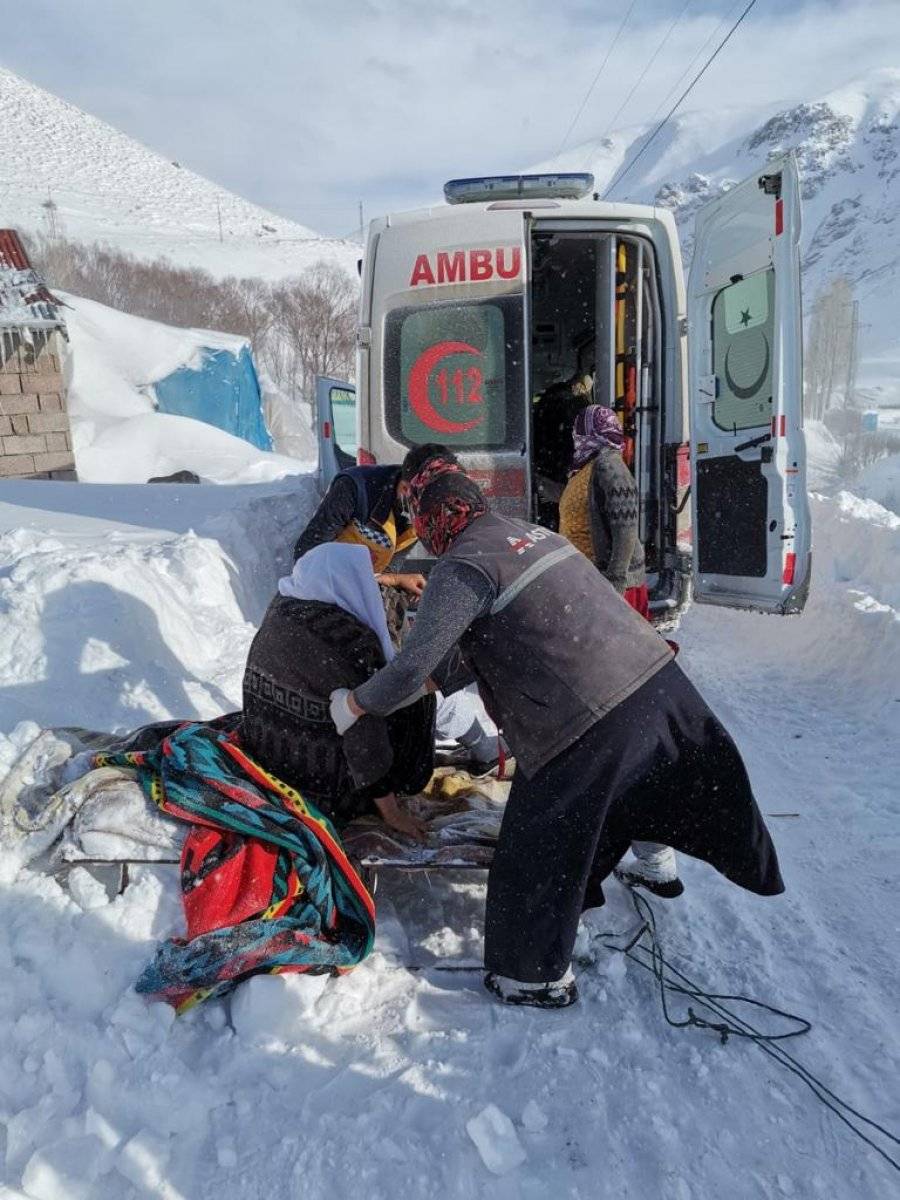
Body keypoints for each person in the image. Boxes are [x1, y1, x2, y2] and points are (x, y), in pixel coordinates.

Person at [329, 459, 784, 1010]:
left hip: (589, 719)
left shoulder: (462, 566)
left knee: (536, 850)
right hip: (660, 688)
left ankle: (531, 976)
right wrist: (433, 681)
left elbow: (409, 668)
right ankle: (618, 892)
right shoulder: (531, 533)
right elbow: (494, 637)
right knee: (621, 802)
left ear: (430, 517)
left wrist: (353, 705)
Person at [294, 445, 506, 775]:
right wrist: (392, 579)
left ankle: (474, 745)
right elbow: (308, 557)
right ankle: (375, 765)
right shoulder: (356, 490)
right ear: (406, 486)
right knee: (394, 678)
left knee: (416, 671)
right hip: (332, 601)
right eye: (422, 496)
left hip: (374, 598)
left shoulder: (416, 510)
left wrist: (403, 590)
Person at [558, 402, 682, 899]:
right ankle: (643, 850)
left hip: (609, 594)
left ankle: (638, 846)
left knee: (612, 707)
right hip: (590, 590)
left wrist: (607, 595)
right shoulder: (590, 467)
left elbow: (626, 534)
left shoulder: (610, 466)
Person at [241, 541, 435, 840]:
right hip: (318, 785)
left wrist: (393, 579)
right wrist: (390, 810)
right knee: (411, 696)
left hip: (267, 755)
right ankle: (406, 779)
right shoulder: (353, 643)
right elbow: (364, 737)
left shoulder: (282, 605)